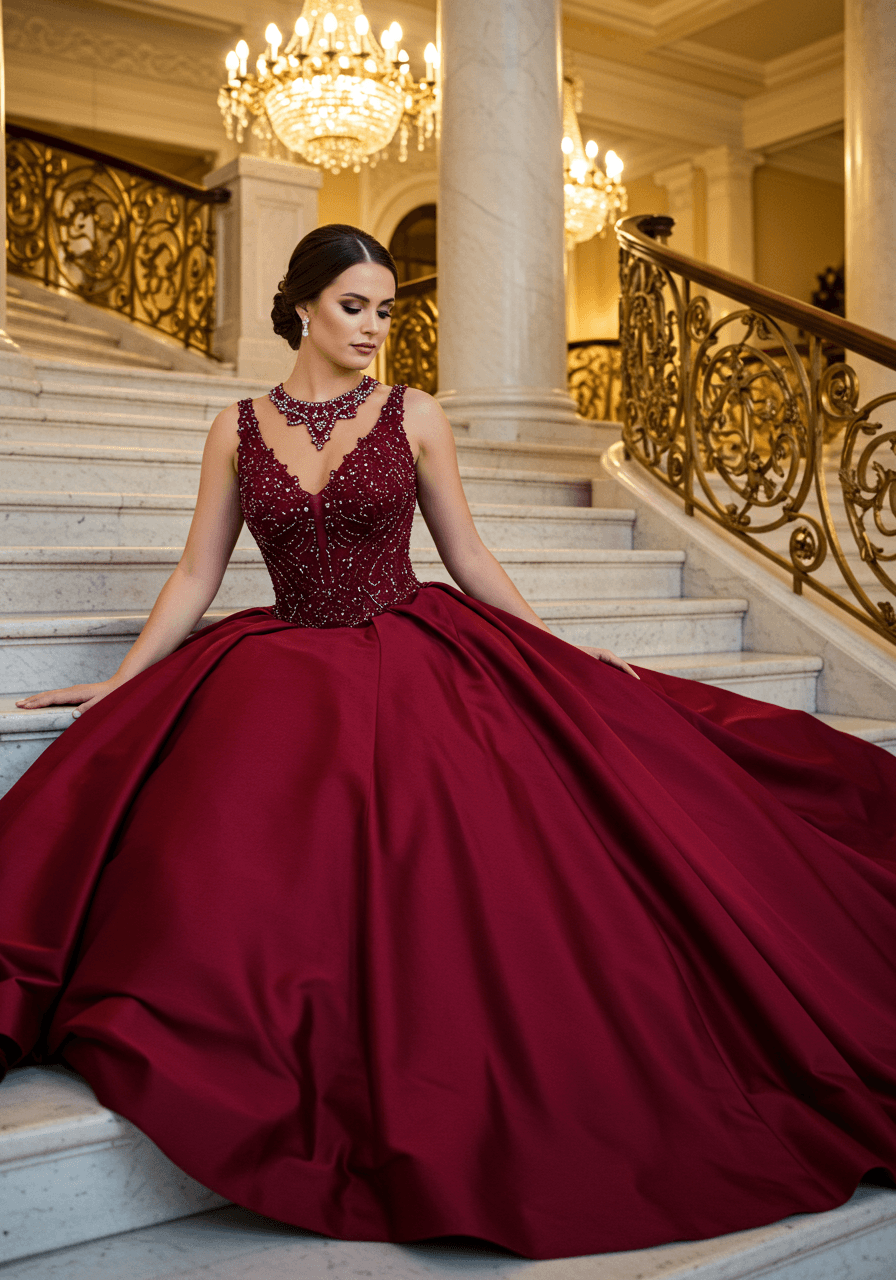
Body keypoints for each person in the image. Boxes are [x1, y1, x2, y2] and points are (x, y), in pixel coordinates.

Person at [1, 224, 894, 1262]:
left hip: (412, 644)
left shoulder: (413, 414)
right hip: (285, 654)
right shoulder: (233, 425)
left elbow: (466, 550)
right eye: (353, 306)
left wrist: (558, 649)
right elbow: (197, 573)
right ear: (300, 306)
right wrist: (123, 679)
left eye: (385, 308)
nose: (374, 327)